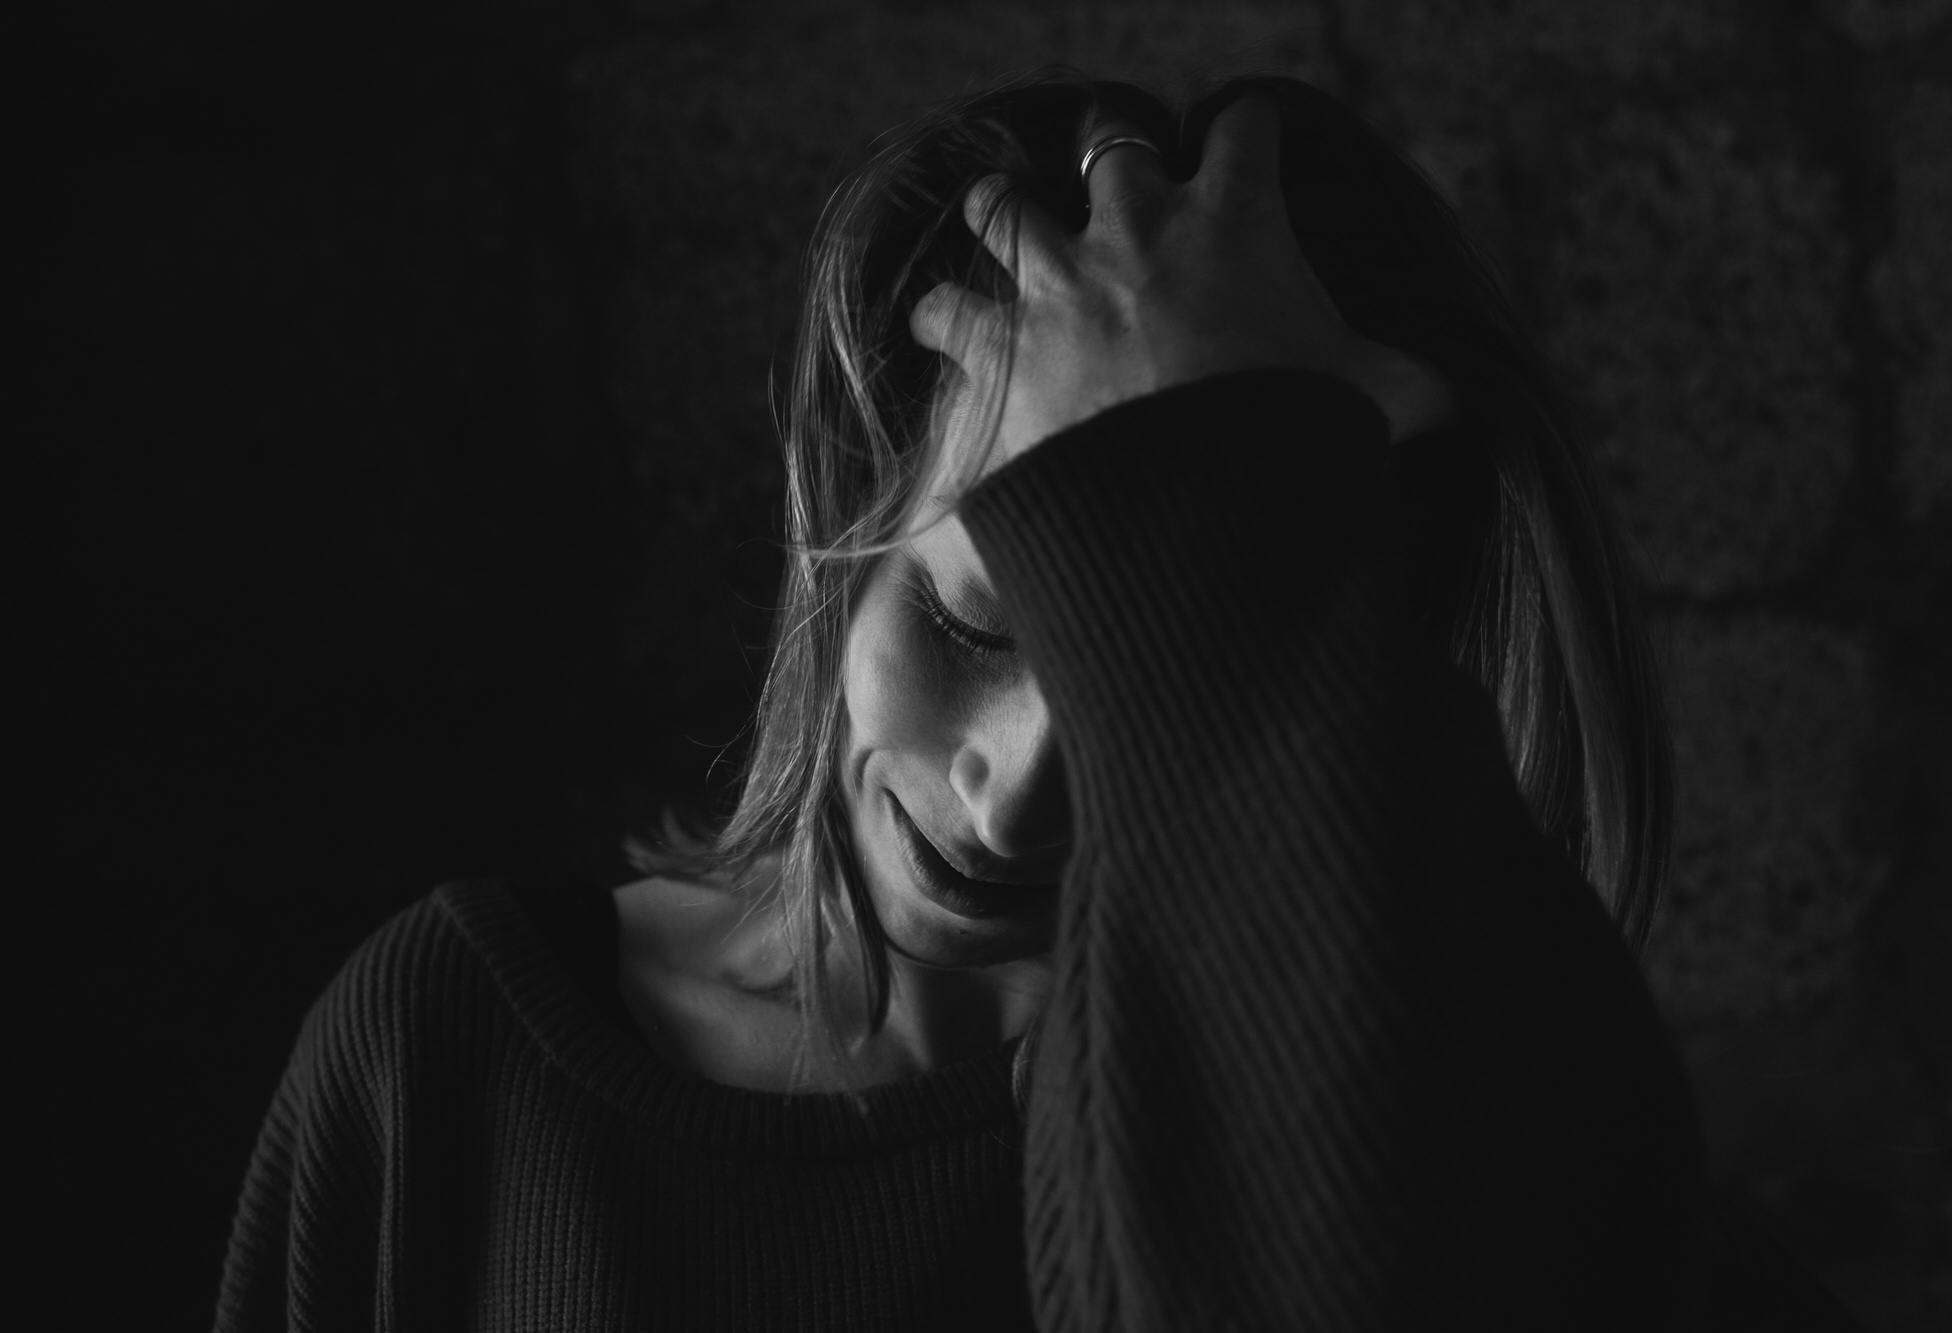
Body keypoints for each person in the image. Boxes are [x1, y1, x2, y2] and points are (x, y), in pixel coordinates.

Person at [214, 71, 1864, 1331]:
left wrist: (1220, 517)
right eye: (967, 619)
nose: (1011, 794)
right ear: (840, 537)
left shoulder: (1476, 1153)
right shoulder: (449, 1057)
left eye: (1142, 667)